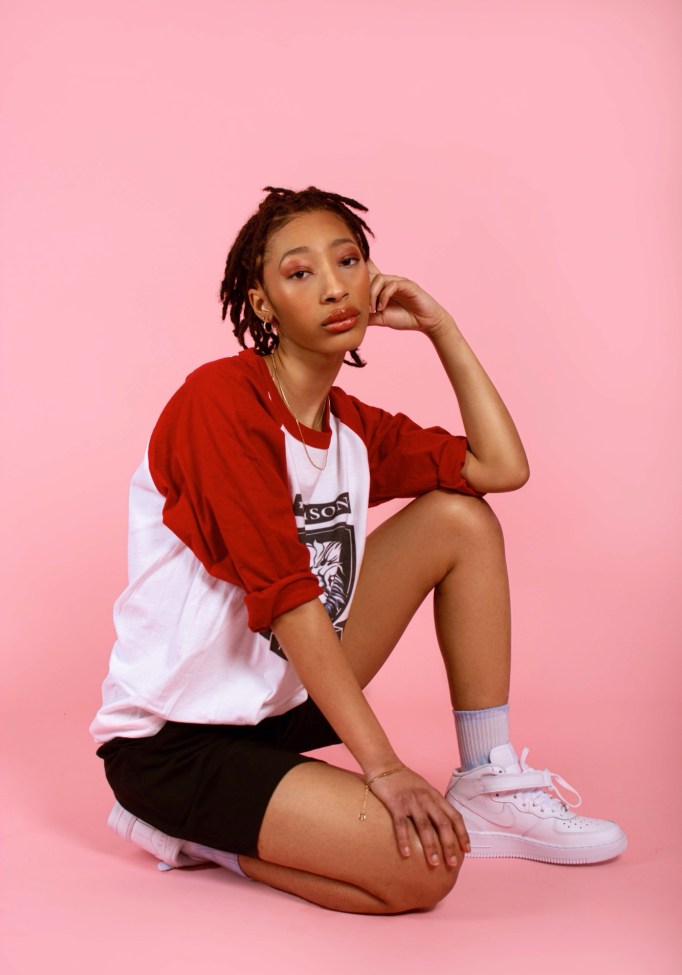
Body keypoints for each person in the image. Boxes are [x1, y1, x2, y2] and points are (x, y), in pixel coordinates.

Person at [90, 186, 626, 915]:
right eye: (300, 271)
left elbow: (500, 468)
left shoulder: (349, 427)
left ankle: (487, 779)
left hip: (279, 708)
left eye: (347, 261)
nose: (334, 286)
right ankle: (192, 834)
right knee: (421, 873)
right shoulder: (219, 402)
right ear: (262, 302)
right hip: (176, 743)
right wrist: (387, 769)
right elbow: (288, 601)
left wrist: (441, 329)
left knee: (460, 518)